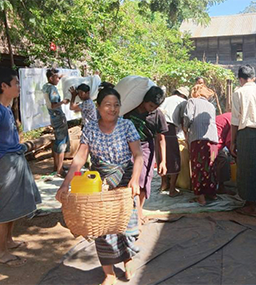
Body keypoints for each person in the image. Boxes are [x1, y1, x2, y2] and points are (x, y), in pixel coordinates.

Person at [56, 85, 143, 285]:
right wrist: (65, 184)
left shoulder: (127, 125)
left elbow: (138, 155)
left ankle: (128, 260)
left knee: (125, 227)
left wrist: (135, 179)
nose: (112, 109)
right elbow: (80, 157)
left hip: (125, 181)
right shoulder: (91, 128)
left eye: (116, 105)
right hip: (99, 183)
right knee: (102, 228)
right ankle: (109, 273)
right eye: (107, 105)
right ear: (98, 106)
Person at [0, 67, 41, 268]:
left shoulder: (6, 109)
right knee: (5, 208)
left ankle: (8, 241)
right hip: (5, 164)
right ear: (3, 86)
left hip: (15, 160)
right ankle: (1, 253)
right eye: (15, 83)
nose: (19, 86)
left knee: (14, 205)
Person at [228, 65, 256, 217]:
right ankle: (250, 201)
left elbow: (235, 120)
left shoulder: (238, 92)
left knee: (246, 171)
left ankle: (251, 205)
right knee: (252, 169)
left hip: (246, 133)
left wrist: (232, 142)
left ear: (240, 79)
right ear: (254, 77)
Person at [123, 86, 167, 224]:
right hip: (127, 147)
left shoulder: (158, 115)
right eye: (150, 105)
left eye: (155, 107)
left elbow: (161, 139)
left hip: (146, 148)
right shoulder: (129, 110)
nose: (152, 109)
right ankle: (127, 212)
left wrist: (162, 161)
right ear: (143, 101)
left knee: (142, 180)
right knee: (127, 179)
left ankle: (139, 211)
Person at [181, 84, 219, 205]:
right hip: (212, 139)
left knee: (198, 167)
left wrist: (185, 129)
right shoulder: (211, 106)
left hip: (198, 139)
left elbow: (187, 117)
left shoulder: (192, 101)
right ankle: (211, 194)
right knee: (210, 167)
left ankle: (200, 197)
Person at [158, 86, 188, 196]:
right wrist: (186, 136)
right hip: (170, 129)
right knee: (174, 158)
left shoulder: (165, 99)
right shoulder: (183, 101)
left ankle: (164, 183)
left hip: (158, 129)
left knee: (162, 156)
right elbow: (183, 121)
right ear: (183, 95)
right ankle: (172, 189)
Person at [42, 68, 70, 177]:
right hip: (58, 116)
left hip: (53, 117)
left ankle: (56, 165)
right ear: (50, 78)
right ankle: (60, 169)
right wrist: (63, 102)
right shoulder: (52, 88)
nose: (58, 80)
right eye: (56, 78)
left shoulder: (46, 87)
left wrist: (60, 76)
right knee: (61, 142)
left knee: (58, 140)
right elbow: (54, 104)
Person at [212, 112, 236, 196]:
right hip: (213, 142)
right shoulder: (234, 120)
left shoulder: (229, 116)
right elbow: (229, 141)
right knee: (224, 160)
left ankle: (216, 186)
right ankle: (220, 187)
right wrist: (235, 155)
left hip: (211, 140)